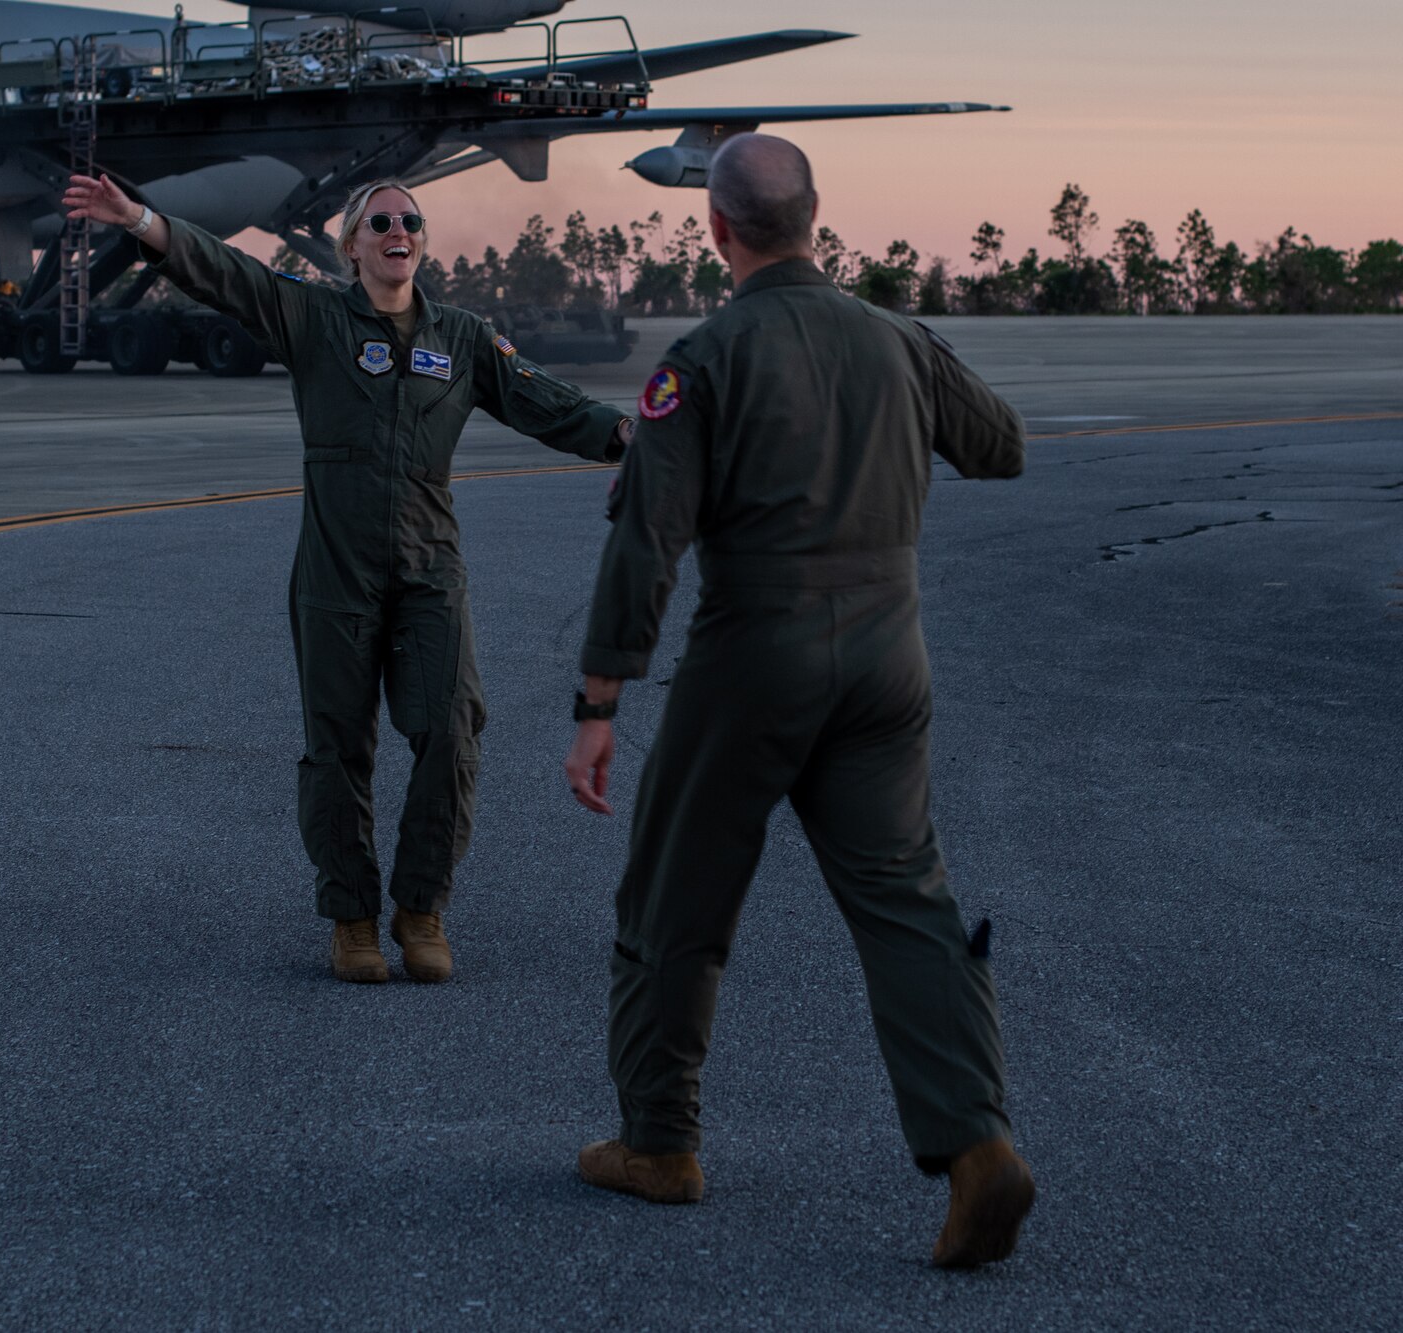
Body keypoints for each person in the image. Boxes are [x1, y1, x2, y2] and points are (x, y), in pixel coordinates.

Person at [561, 134, 1034, 1268]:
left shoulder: (705, 357)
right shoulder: (895, 339)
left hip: (754, 657)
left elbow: (647, 543)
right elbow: (1001, 446)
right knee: (905, 901)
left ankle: (658, 1144)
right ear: (814, 217)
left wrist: (597, 698)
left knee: (674, 899)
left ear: (715, 229)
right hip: (886, 659)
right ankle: (975, 1146)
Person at [63, 173, 632, 985]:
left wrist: (628, 435)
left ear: (420, 242)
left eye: (411, 220)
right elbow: (229, 274)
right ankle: (353, 918)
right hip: (336, 572)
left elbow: (548, 402)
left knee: (451, 730)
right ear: (353, 245)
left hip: (430, 569)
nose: (399, 230)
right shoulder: (316, 318)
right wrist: (141, 221)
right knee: (338, 749)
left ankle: (421, 905)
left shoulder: (463, 337)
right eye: (381, 221)